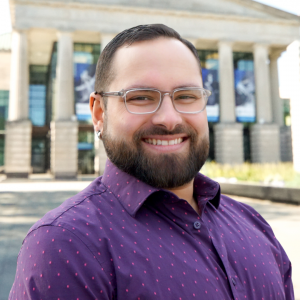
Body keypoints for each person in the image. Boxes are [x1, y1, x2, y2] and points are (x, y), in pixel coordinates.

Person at [9, 24, 294, 300]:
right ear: (99, 113)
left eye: (186, 96)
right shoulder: (65, 245)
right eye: (141, 97)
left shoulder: (254, 225)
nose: (169, 119)